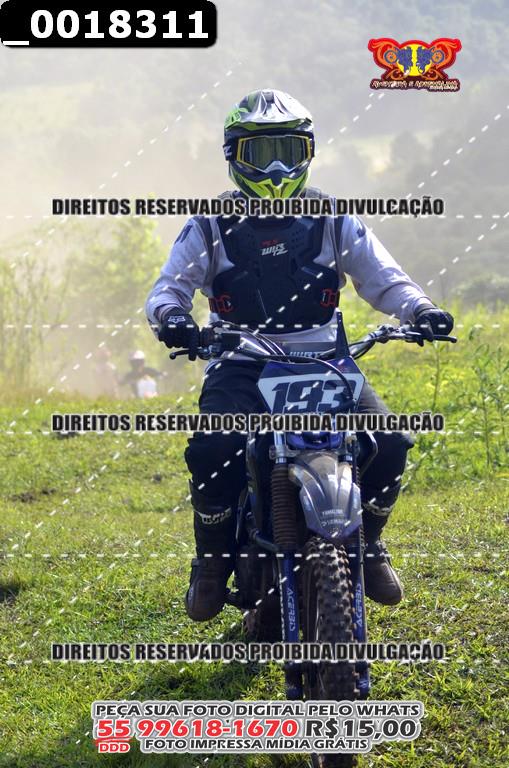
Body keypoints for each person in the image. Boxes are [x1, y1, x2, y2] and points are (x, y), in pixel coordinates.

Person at [146, 89, 454, 621]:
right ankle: (211, 564)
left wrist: (421, 309)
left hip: (326, 361)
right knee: (213, 449)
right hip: (240, 361)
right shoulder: (209, 225)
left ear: (308, 152)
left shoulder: (334, 218)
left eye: (288, 151)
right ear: (234, 156)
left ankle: (370, 542)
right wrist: (173, 318)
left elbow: (385, 278)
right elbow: (168, 288)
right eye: (260, 153)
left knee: (391, 442)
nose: (276, 168)